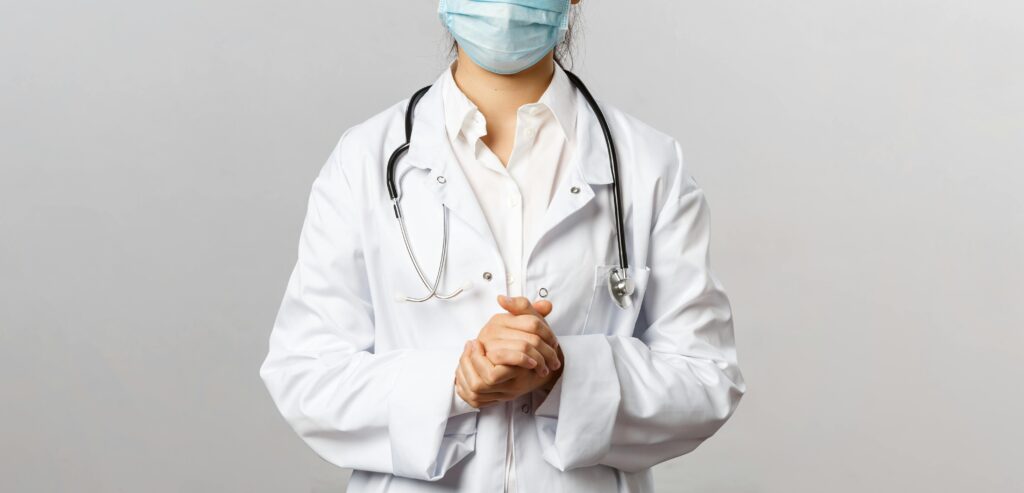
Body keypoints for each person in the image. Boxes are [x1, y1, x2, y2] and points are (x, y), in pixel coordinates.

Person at [259, 1, 746, 491]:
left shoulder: (649, 166)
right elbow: (306, 376)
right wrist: (454, 382)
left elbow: (707, 379)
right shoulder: (363, 160)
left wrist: (564, 373)